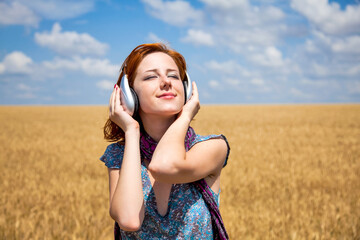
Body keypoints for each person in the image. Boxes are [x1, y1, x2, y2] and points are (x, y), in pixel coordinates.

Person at [100, 43, 230, 239]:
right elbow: (129, 220)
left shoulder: (212, 147)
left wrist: (185, 116)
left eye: (173, 75)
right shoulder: (119, 154)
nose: (166, 82)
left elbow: (164, 166)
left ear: (185, 89)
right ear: (129, 94)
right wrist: (132, 131)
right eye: (151, 76)